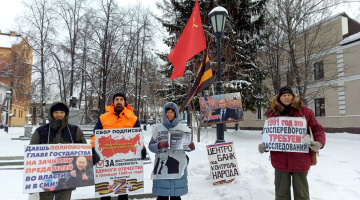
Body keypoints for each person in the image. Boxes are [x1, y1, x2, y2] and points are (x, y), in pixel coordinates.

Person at [258, 86, 326, 200]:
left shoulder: (305, 112)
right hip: (280, 160)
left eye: (289, 95)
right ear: (279, 97)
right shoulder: (272, 113)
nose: (287, 97)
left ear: (293, 96)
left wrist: (319, 142)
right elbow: (269, 133)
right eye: (284, 95)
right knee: (281, 194)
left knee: (302, 195)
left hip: (301, 159)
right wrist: (264, 145)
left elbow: (318, 129)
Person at [90, 92, 147, 200]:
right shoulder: (103, 118)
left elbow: (138, 137)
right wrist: (93, 148)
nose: (119, 101)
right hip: (107, 162)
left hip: (124, 163)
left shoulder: (133, 119)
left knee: (123, 192)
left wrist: (142, 147)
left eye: (121, 99)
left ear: (125, 102)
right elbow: (94, 136)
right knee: (105, 192)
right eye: (117, 99)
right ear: (113, 102)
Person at [30, 101, 87, 200]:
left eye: (62, 112)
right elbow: (32, 153)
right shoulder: (41, 131)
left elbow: (83, 151)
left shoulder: (74, 130)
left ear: (66, 114)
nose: (59, 115)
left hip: (66, 179)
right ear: (51, 114)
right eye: (56, 112)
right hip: (46, 178)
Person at [149, 102, 195, 200]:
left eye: (171, 112)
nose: (169, 114)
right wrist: (159, 145)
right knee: (162, 197)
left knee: (176, 196)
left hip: (177, 166)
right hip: (162, 168)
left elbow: (187, 147)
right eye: (167, 112)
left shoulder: (183, 128)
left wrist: (191, 147)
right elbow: (151, 146)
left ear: (176, 114)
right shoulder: (157, 128)